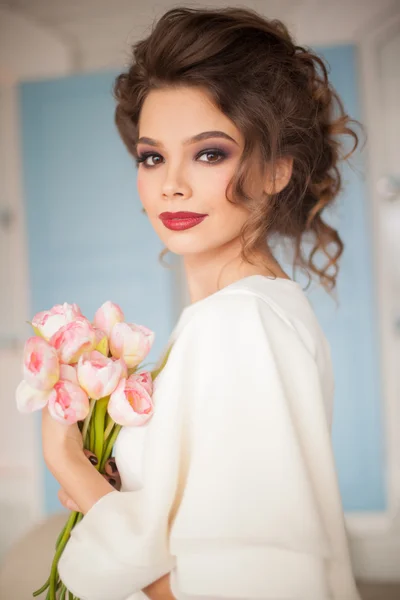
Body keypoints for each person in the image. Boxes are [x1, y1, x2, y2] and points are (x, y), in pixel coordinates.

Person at [41, 6, 363, 600]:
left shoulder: (237, 322)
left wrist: (68, 463)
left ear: (277, 171)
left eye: (210, 152)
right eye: (152, 156)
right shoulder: (263, 311)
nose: (172, 184)